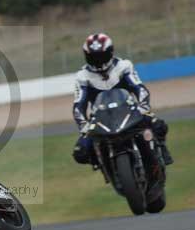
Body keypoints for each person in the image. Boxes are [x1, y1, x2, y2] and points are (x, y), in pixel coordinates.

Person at [72, 33, 174, 166]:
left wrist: (143, 109)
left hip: (129, 110)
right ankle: (103, 164)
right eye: (94, 58)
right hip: (99, 118)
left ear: (110, 52)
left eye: (102, 56)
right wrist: (84, 127)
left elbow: (140, 89)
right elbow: (78, 106)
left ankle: (162, 149)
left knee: (159, 126)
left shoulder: (124, 66)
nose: (99, 61)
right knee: (81, 152)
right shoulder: (82, 77)